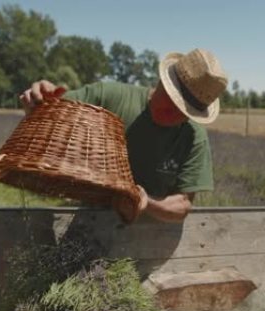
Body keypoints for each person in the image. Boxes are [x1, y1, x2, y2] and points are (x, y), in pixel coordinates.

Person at [20, 48, 228, 223]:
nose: (172, 111)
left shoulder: (193, 138)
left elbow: (182, 205)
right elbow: (54, 108)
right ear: (163, 82)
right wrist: (39, 101)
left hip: (151, 236)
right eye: (170, 98)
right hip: (89, 221)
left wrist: (147, 202)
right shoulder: (109, 96)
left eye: (183, 111)